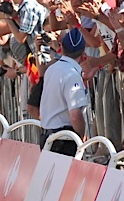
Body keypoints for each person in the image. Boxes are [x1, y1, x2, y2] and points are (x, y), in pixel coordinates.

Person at [38, 28, 88, 156]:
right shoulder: (72, 75)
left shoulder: (51, 69)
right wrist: (81, 136)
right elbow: (75, 115)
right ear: (83, 52)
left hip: (48, 136)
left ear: (62, 48)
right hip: (64, 140)